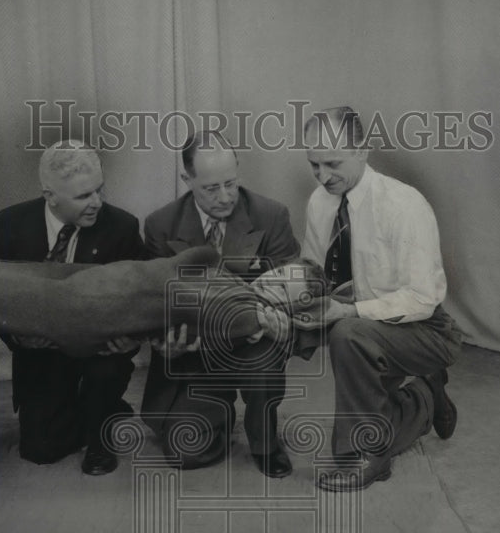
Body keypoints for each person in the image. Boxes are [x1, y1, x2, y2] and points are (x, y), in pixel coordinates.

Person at [293, 106, 463, 492]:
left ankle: (371, 458)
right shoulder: (320, 202)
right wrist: (295, 299)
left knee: (348, 334)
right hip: (360, 325)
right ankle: (424, 397)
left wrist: (347, 311)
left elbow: (421, 298)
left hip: (424, 329)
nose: (323, 176)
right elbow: (314, 271)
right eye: (314, 165)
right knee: (304, 330)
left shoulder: (403, 205)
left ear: (363, 150)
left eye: (333, 163)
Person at [142, 131, 300, 477]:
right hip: (195, 354)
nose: (225, 197)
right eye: (211, 189)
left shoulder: (272, 215)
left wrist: (267, 318)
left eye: (231, 183)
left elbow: (291, 292)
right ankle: (219, 414)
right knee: (185, 453)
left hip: (254, 344)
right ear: (187, 180)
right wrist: (164, 344)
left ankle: (265, 442)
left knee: (266, 356)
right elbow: (157, 304)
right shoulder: (159, 224)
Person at [0, 141, 144, 474]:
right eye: (83, 196)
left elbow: (144, 295)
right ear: (50, 195)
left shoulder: (122, 228)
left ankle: (101, 423)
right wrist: (18, 338)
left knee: (106, 373)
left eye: (99, 190)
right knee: (41, 451)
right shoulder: (8, 226)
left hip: (101, 352)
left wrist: (132, 339)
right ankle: (94, 409)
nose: (97, 203)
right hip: (42, 352)